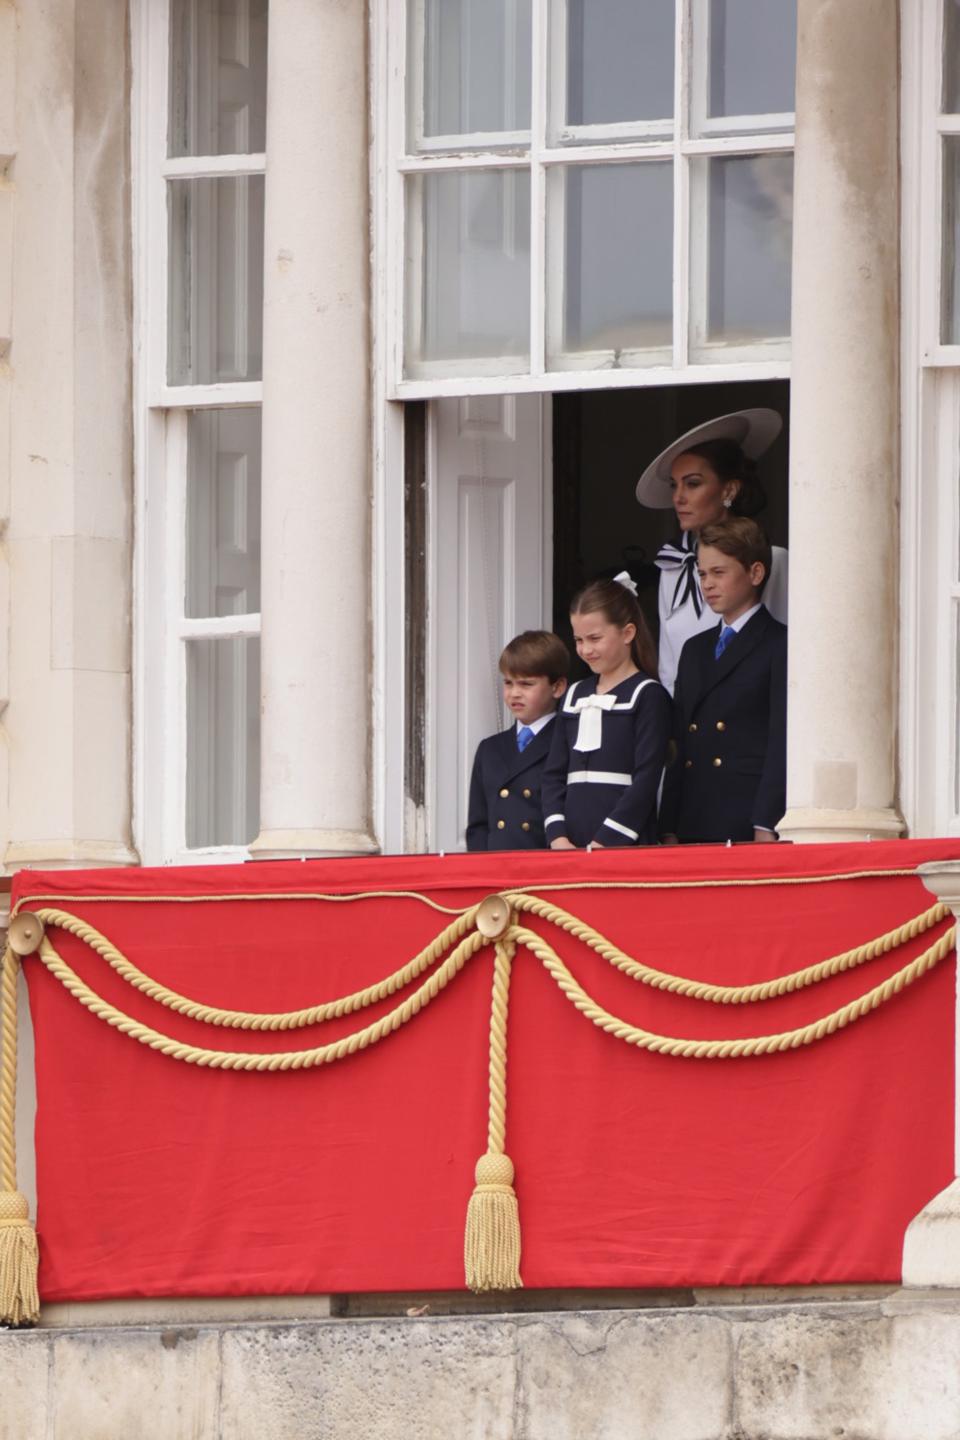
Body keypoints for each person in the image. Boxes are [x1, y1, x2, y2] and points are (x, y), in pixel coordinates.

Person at [635, 409, 788, 696]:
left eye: (692, 484)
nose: (678, 497)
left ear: (728, 489)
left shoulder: (774, 560)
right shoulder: (673, 567)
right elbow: (669, 667)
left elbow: (783, 651)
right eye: (674, 485)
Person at [659, 518, 787, 845]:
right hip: (693, 814)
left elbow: (780, 742)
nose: (707, 584)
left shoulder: (779, 644)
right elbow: (678, 743)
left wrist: (766, 821)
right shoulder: (694, 649)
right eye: (702, 574)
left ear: (755, 573)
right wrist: (668, 823)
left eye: (719, 573)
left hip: (744, 814)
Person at [542, 573, 671, 849]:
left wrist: (606, 842)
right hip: (570, 845)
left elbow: (646, 779)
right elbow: (554, 773)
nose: (585, 649)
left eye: (594, 638)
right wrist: (557, 836)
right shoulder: (574, 695)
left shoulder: (648, 695)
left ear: (628, 633)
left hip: (624, 843)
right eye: (578, 640)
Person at [466, 630, 570, 851]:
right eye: (508, 683)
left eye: (526, 684)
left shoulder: (568, 742)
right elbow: (478, 826)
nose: (514, 693)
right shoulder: (489, 749)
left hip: (544, 869)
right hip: (497, 871)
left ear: (557, 687)